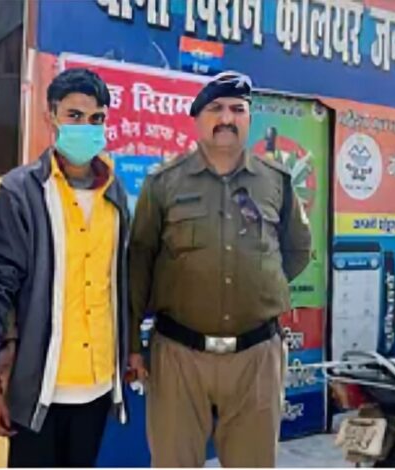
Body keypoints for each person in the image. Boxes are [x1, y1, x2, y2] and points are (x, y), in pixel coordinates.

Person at [127, 71, 311, 467]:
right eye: (216, 108)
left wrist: (257, 286)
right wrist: (132, 346)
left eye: (237, 109)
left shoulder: (276, 182)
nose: (227, 118)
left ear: (249, 119)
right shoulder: (163, 183)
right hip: (179, 356)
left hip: (256, 357)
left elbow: (297, 250)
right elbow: (139, 263)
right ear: (197, 119)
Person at [0, 68, 129, 467]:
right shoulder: (22, 190)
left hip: (97, 385)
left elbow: (119, 284)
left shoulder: (114, 195)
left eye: (96, 118)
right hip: (38, 386)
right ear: (51, 117)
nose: (86, 127)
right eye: (74, 116)